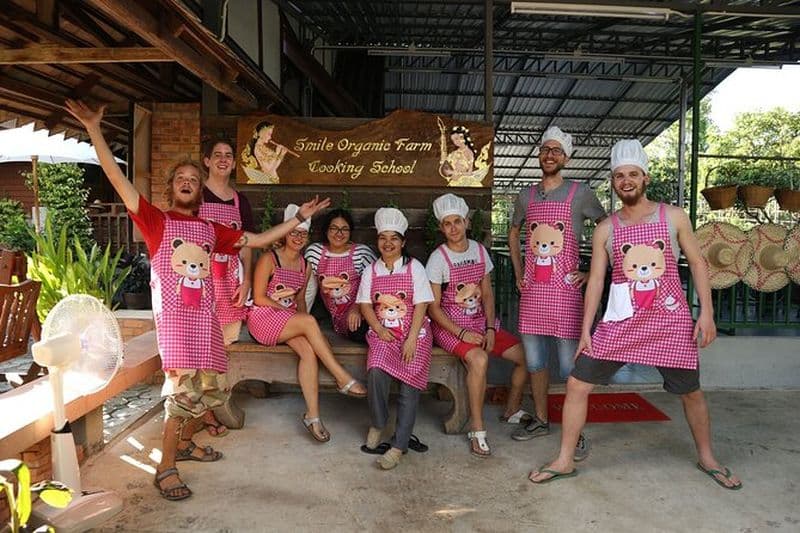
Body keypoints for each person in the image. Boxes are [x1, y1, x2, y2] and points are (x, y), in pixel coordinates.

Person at [65, 99, 330, 502]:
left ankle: (186, 444)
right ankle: (165, 467)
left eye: (193, 178)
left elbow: (258, 240)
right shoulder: (156, 221)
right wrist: (93, 129)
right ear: (172, 186)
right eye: (181, 178)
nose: (188, 182)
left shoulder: (210, 228)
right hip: (176, 326)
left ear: (199, 187)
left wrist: (298, 219)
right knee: (179, 395)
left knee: (206, 388)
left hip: (206, 322)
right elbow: (117, 179)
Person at [529, 140, 741, 490]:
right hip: (620, 322)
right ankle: (565, 460)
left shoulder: (673, 216)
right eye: (619, 176)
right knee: (577, 383)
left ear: (645, 178)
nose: (626, 181)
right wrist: (587, 330)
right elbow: (597, 281)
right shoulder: (606, 229)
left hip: (669, 321)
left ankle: (708, 458)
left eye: (632, 174)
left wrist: (707, 313)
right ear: (613, 182)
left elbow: (698, 263)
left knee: (691, 392)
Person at [508, 126, 605, 461]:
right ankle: (541, 419)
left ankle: (576, 433)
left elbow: (607, 228)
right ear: (539, 154)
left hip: (566, 295)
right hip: (533, 294)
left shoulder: (580, 193)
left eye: (556, 151)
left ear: (566, 158)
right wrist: (518, 273)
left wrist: (592, 272)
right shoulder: (526, 196)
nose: (549, 155)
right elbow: (514, 231)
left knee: (570, 368)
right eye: (545, 149)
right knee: (536, 362)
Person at [248, 205, 368, 443]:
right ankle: (341, 377)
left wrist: (301, 322)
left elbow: (301, 301)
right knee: (309, 322)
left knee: (309, 352)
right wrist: (298, 318)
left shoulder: (305, 265)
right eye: (293, 232)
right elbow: (259, 297)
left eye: (302, 234)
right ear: (284, 233)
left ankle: (312, 417)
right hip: (263, 319)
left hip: (286, 321)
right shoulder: (269, 259)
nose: (298, 237)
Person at [426, 193, 533, 458]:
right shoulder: (438, 259)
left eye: (457, 221)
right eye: (447, 223)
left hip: (480, 323)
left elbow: (486, 294)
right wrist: (462, 333)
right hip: (450, 327)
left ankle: (511, 409)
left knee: (526, 357)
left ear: (467, 222)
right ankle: (477, 428)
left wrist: (490, 328)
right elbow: (433, 308)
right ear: (441, 228)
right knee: (479, 359)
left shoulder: (479, 251)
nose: (453, 228)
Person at [357, 208, 434, 470]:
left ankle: (399, 446)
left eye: (394, 238)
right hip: (384, 333)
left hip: (415, 332)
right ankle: (378, 423)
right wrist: (378, 329)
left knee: (409, 382)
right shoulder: (371, 271)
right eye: (383, 238)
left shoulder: (415, 268)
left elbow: (422, 305)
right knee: (376, 372)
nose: (388, 243)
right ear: (377, 241)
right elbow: (365, 305)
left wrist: (411, 339)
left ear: (403, 242)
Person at [196, 137, 256, 437]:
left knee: (223, 347)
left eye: (228, 155)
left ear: (233, 163)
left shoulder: (239, 201)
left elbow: (247, 244)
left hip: (230, 282)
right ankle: (205, 411)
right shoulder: (196, 195)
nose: (223, 159)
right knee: (201, 346)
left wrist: (247, 281)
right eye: (217, 154)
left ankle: (213, 402)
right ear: (206, 160)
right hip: (199, 280)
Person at [303, 209, 377, 342]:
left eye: (344, 229)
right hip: (341, 316)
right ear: (326, 230)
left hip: (366, 306)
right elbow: (309, 288)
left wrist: (357, 307)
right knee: (358, 330)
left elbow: (375, 284)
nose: (339, 233)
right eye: (334, 228)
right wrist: (302, 318)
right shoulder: (315, 253)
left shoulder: (362, 253)